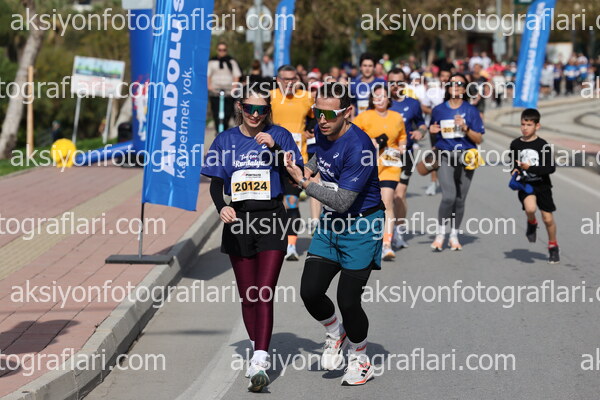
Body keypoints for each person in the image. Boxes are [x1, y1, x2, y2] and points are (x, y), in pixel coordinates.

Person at [201, 88, 303, 392]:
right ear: (240, 107)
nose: (255, 115)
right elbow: (216, 182)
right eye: (250, 109)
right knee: (248, 296)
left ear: (268, 110)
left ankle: (259, 359)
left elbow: (295, 174)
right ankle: (257, 344)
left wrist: (275, 149)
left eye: (261, 110)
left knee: (264, 291)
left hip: (272, 217)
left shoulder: (279, 134)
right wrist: (222, 207)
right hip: (239, 221)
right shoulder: (225, 140)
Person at [284, 82, 383, 386]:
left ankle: (361, 360)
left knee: (348, 301)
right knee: (310, 291)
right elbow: (319, 159)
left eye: (329, 114)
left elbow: (342, 201)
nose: (322, 119)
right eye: (317, 112)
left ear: (347, 112)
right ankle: (335, 332)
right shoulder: (322, 131)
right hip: (331, 226)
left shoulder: (359, 147)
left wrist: (304, 183)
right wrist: (304, 168)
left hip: (361, 227)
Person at [429, 73, 485, 251]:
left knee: (460, 200)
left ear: (465, 88)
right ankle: (440, 234)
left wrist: (465, 128)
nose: (456, 86)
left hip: (467, 157)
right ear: (447, 87)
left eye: (460, 83)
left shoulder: (471, 110)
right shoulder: (438, 110)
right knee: (449, 197)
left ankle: (454, 235)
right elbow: (434, 133)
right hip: (446, 155)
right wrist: (432, 131)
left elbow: (479, 138)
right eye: (452, 83)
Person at [354, 85, 406, 260]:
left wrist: (402, 146)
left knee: (387, 202)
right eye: (376, 96)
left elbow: (402, 136)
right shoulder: (364, 116)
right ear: (371, 99)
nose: (380, 99)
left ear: (389, 98)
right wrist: (370, 141)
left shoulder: (396, 117)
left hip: (391, 165)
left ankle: (386, 244)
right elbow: (351, 135)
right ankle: (366, 240)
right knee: (367, 204)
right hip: (368, 166)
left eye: (383, 96)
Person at [270, 65, 314, 260]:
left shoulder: (306, 97)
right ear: (278, 80)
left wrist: (310, 130)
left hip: (295, 161)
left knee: (292, 203)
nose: (289, 83)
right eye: (285, 79)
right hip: (270, 160)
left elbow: (315, 119)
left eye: (293, 79)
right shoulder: (270, 97)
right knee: (272, 205)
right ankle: (273, 242)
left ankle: (291, 246)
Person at [509, 108, 559, 264]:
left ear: (537, 126)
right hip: (526, 184)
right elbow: (514, 163)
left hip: (542, 185)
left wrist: (530, 168)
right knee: (530, 209)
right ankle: (532, 223)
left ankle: (553, 246)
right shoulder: (515, 144)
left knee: (548, 219)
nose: (525, 128)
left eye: (529, 125)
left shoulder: (543, 145)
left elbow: (550, 168)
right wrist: (514, 170)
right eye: (523, 124)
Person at [388, 69, 427, 249]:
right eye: (392, 82)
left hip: (406, 154)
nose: (396, 86)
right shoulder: (382, 102)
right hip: (384, 156)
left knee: (399, 194)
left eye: (399, 82)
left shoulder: (413, 103)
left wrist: (420, 132)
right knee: (385, 196)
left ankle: (398, 231)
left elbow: (421, 123)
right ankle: (385, 231)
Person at [422, 68, 451, 196]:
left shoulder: (454, 91)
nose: (445, 78)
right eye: (443, 76)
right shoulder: (432, 92)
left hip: (451, 129)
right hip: (435, 127)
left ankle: (449, 183)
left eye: (447, 76)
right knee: (435, 154)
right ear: (439, 77)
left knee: (452, 155)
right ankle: (433, 182)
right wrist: (435, 112)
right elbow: (424, 106)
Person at [207, 42, 242, 132]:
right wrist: (209, 86)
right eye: (220, 50)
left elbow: (236, 75)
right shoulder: (212, 62)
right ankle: (218, 131)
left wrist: (234, 87)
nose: (222, 52)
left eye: (224, 50)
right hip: (215, 92)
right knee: (216, 113)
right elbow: (208, 75)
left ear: (226, 50)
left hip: (228, 92)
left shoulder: (232, 62)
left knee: (227, 113)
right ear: (217, 50)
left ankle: (225, 130)